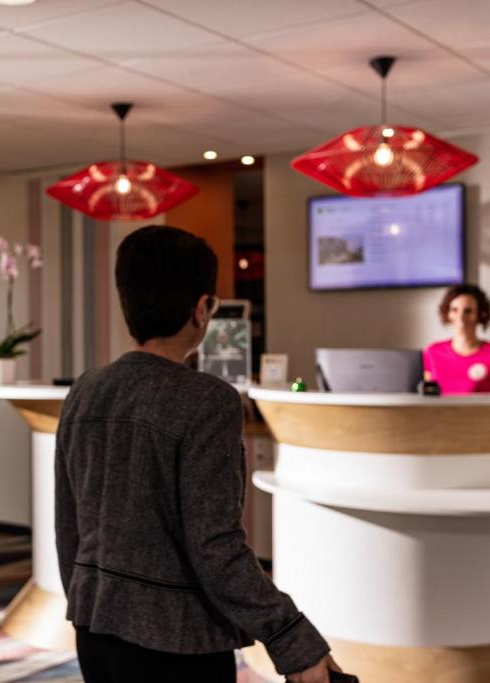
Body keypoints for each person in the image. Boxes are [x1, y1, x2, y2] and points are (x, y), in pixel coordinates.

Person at [55, 225, 339, 683]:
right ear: (202, 308)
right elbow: (216, 547)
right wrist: (292, 639)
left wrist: (88, 601)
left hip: (95, 627)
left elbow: (68, 526)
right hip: (177, 643)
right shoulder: (208, 399)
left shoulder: (85, 390)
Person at [423, 283, 490, 394]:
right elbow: (426, 400)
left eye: (468, 311)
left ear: (481, 315)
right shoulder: (432, 352)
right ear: (448, 314)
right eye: (454, 310)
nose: (461, 317)